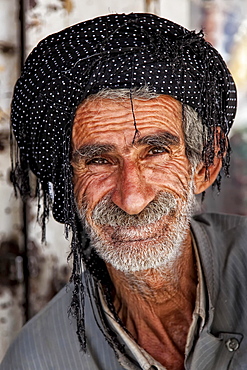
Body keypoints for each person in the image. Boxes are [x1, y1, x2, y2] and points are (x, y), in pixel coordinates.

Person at [1, 13, 247, 370]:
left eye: (155, 152)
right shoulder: (39, 358)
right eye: (99, 160)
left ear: (206, 163)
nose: (131, 198)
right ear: (69, 185)